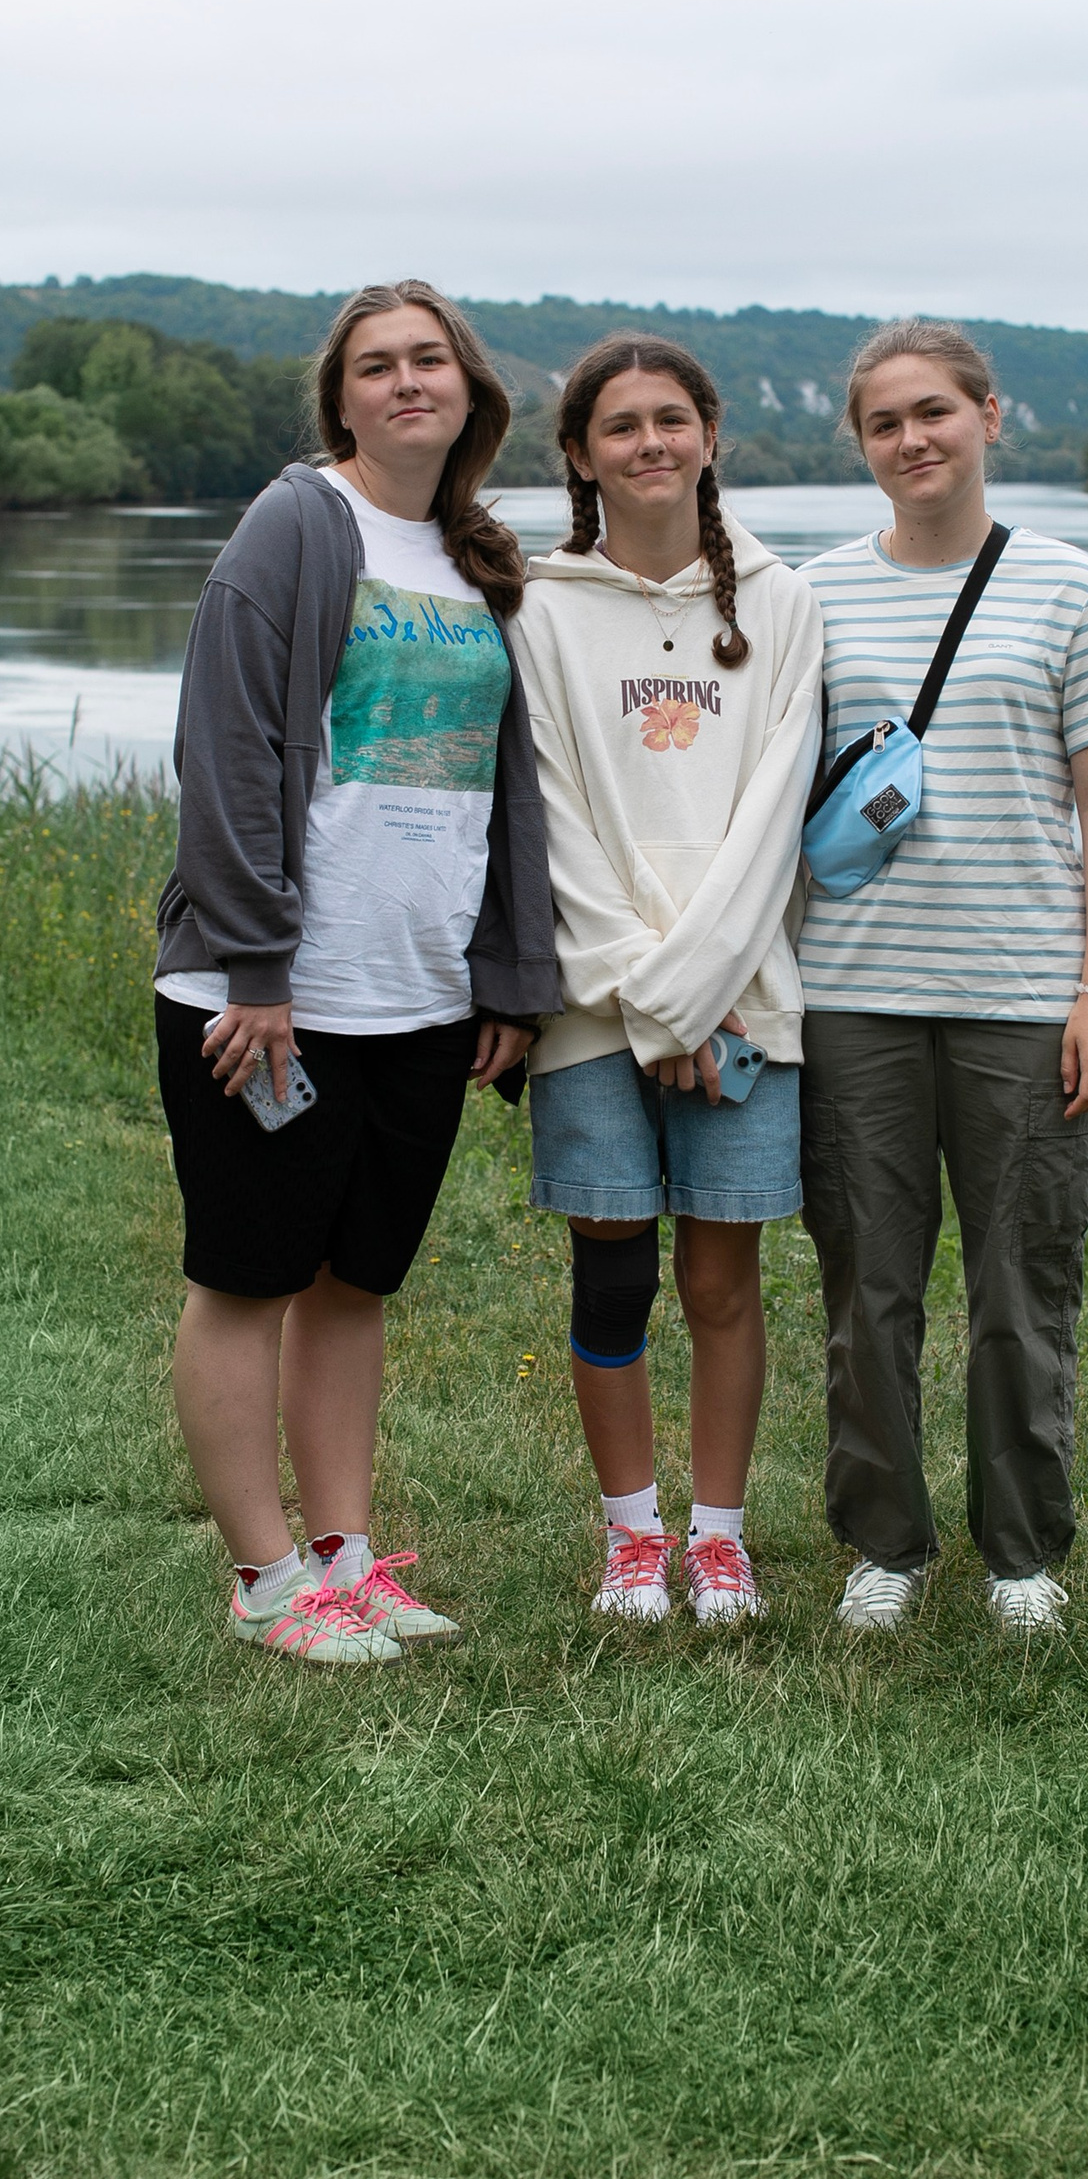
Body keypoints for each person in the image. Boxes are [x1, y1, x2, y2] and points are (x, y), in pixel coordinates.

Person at [154, 279, 557, 1665]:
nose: (404, 384)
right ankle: (265, 1581)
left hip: (422, 993)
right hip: (271, 995)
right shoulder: (296, 525)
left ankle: (343, 1561)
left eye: (427, 361)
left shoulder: (477, 552)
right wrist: (257, 964)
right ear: (341, 397)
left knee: (354, 1285)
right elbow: (224, 750)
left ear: (467, 389)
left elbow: (509, 790)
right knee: (247, 1277)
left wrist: (502, 978)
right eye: (375, 365)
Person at [509, 335, 821, 1625]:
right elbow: (554, 819)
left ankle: (720, 1534)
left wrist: (696, 1001)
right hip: (595, 1004)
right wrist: (649, 999)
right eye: (622, 427)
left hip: (745, 999)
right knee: (614, 1261)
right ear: (580, 455)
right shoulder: (537, 611)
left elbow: (771, 823)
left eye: (673, 421)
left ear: (709, 437)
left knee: (722, 1278)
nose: (651, 445)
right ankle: (630, 1533)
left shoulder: (785, 601)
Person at [798, 320, 1088, 1637]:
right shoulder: (814, 595)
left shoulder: (1069, 591)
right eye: (884, 423)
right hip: (851, 989)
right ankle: (887, 1543)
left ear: (988, 415)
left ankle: (1023, 1554)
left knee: (1024, 1286)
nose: (913, 440)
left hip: (1025, 995)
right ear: (860, 444)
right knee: (867, 1283)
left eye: (935, 413)